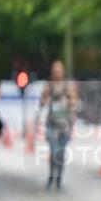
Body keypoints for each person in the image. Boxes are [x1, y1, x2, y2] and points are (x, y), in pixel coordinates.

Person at [40, 60, 78, 191]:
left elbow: (74, 103)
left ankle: (59, 179)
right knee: (53, 150)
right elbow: (42, 102)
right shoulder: (48, 86)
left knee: (61, 154)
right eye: (54, 71)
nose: (57, 73)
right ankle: (51, 175)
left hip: (65, 125)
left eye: (59, 71)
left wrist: (70, 102)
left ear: (63, 72)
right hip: (52, 124)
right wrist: (45, 99)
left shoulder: (68, 86)